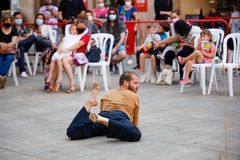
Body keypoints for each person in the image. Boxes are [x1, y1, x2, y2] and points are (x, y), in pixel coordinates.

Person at [66, 71, 141, 141]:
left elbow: (102, 113)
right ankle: (104, 120)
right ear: (126, 83)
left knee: (73, 132)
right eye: (135, 83)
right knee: (136, 134)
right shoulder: (134, 95)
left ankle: (89, 103)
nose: (138, 86)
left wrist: (102, 120)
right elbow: (134, 123)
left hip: (104, 116)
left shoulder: (107, 94)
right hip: (120, 116)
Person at [47, 24, 82, 92]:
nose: (74, 31)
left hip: (68, 51)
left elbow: (85, 31)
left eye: (76, 29)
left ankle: (60, 76)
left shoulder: (77, 37)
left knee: (58, 59)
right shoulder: (66, 37)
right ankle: (50, 76)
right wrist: (59, 50)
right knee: (53, 58)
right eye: (73, 29)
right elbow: (62, 44)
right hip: (62, 50)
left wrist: (65, 50)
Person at [62, 14, 91, 93]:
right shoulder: (74, 33)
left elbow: (79, 44)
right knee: (57, 58)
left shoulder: (86, 35)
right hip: (71, 54)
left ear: (86, 27)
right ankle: (52, 83)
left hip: (80, 55)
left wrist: (68, 49)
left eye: (83, 27)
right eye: (79, 27)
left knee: (65, 61)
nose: (80, 29)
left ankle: (72, 84)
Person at [101, 7, 127, 74]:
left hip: (118, 44)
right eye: (110, 14)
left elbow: (122, 38)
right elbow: (102, 37)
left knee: (123, 55)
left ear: (116, 14)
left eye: (113, 14)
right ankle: (110, 63)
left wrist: (115, 48)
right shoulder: (105, 25)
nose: (111, 15)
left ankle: (112, 63)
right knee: (101, 55)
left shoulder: (121, 24)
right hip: (107, 44)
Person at [12, 11, 36, 78]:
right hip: (15, 47)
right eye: (17, 18)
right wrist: (25, 37)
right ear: (14, 19)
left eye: (20, 18)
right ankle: (22, 71)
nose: (19, 19)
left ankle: (19, 45)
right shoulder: (12, 28)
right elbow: (16, 39)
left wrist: (24, 38)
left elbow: (29, 37)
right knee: (21, 48)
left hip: (24, 45)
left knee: (33, 36)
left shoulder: (24, 28)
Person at [0, 13, 18, 88]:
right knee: (0, 60)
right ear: (3, 21)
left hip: (10, 51)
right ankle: (2, 78)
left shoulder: (14, 30)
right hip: (0, 51)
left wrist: (5, 46)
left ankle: (1, 76)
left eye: (9, 21)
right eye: (6, 21)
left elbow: (14, 42)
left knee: (9, 58)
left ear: (12, 22)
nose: (8, 22)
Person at [118, 0, 139, 65]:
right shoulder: (121, 8)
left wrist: (135, 27)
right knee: (121, 40)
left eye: (129, 0)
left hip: (130, 26)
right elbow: (118, 16)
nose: (127, 1)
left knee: (130, 41)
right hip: (121, 26)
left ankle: (130, 58)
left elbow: (137, 18)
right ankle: (120, 56)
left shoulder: (133, 8)